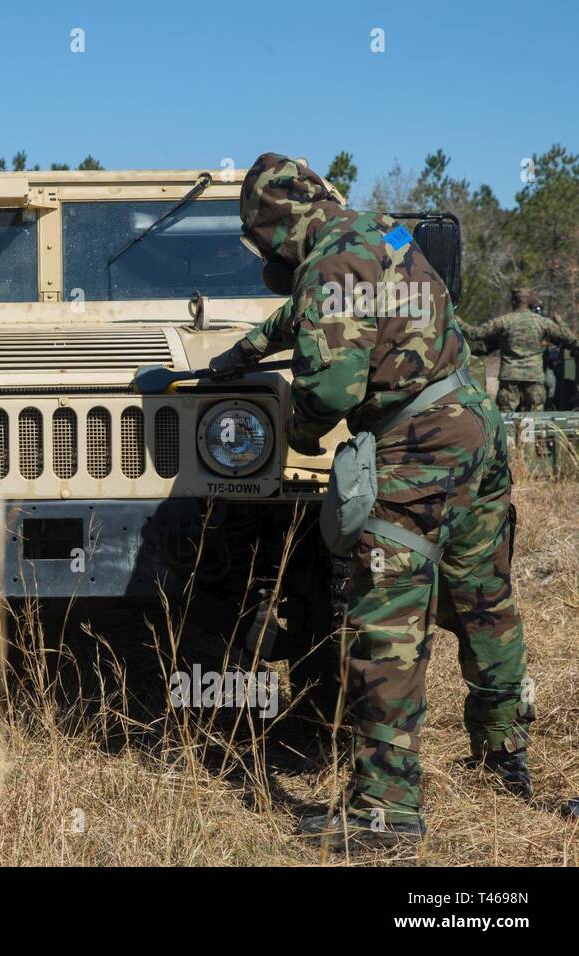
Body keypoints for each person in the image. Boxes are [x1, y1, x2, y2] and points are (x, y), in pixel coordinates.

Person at [210, 154, 534, 849]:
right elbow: (348, 299)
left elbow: (330, 390)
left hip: (415, 446)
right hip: (472, 424)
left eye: (262, 240)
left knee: (384, 621)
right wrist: (244, 350)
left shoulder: (327, 263)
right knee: (485, 600)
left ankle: (385, 817)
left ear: (276, 225)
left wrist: (292, 433)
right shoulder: (383, 233)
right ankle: (502, 755)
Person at [466, 289, 579, 411]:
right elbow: (569, 339)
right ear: (529, 302)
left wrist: (452, 318)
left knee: (506, 417)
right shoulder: (542, 322)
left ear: (514, 301)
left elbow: (475, 333)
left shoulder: (504, 321)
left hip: (510, 377)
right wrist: (561, 323)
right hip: (534, 377)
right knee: (535, 420)